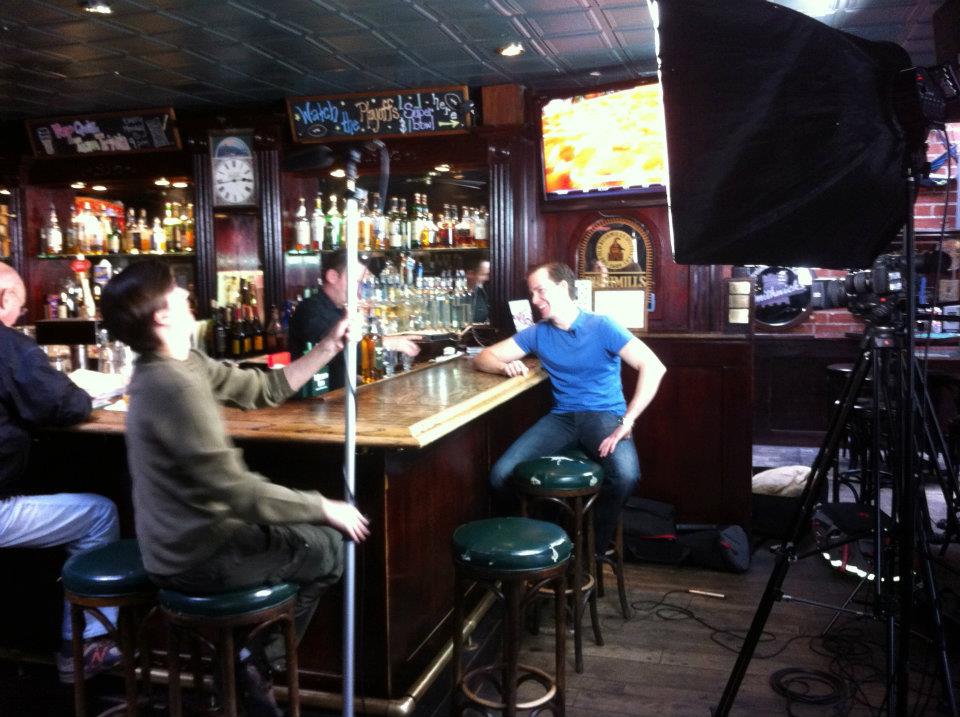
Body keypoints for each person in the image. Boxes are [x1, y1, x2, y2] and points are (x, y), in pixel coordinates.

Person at [100, 260, 370, 717]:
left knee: (312, 535)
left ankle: (245, 659)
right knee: (329, 549)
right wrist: (323, 507)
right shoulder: (172, 386)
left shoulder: (178, 362)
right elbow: (236, 491)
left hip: (188, 538)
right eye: (175, 290)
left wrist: (329, 345)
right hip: (194, 555)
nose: (185, 293)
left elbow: (263, 388)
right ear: (161, 315)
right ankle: (254, 664)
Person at [473, 262, 666, 556]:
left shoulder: (602, 326)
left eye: (540, 291)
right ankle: (548, 540)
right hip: (562, 418)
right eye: (532, 293)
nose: (535, 300)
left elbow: (653, 366)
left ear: (563, 288)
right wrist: (503, 367)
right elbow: (483, 357)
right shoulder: (538, 333)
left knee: (626, 476)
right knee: (501, 476)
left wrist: (628, 419)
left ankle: (589, 552)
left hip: (604, 415)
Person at [0, 263, 122, 684]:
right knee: (100, 514)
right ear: (4, 299)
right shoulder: (7, 345)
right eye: (19, 307)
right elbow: (65, 405)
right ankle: (85, 647)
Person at [288, 249, 419, 389]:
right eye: (356, 282)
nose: (360, 289)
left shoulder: (341, 309)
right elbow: (337, 350)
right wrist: (387, 343)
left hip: (339, 394)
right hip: (316, 397)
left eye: (362, 283)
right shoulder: (310, 310)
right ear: (332, 276)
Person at [466, 257, 491, 324]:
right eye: (483, 274)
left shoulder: (484, 292)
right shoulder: (456, 295)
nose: (487, 278)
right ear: (470, 274)